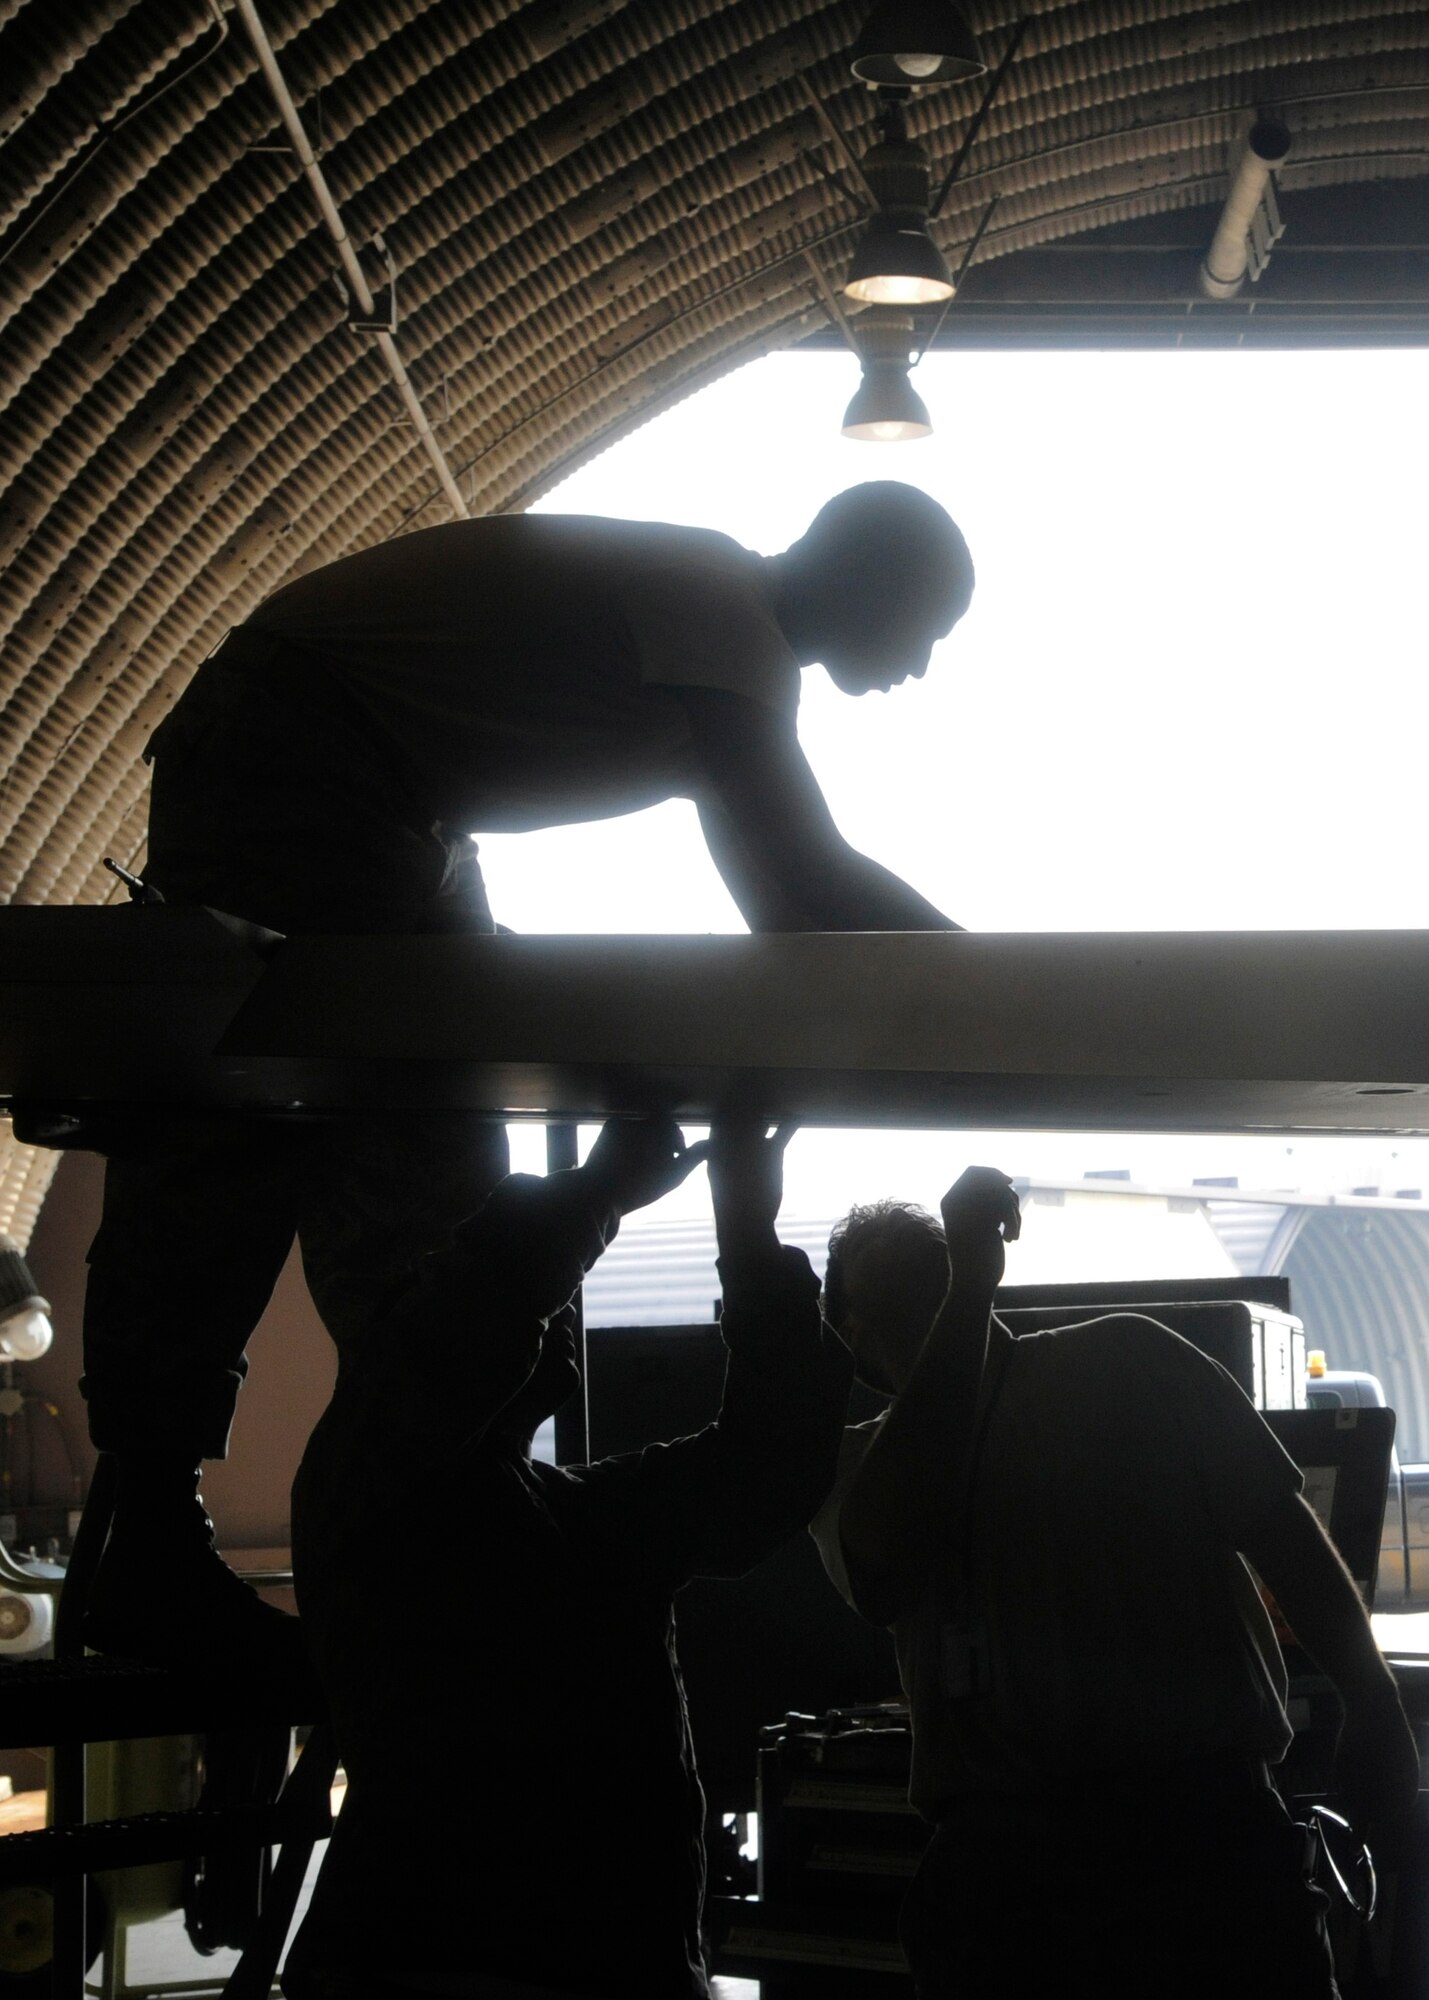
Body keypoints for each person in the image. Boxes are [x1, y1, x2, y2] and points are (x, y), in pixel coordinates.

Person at [79, 481, 971, 1663]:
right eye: (922, 630)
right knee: (244, 1127)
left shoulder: (719, 623)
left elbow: (785, 892)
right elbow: (796, 883)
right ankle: (155, 1537)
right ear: (869, 577)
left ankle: (422, 1488)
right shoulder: (730, 625)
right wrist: (999, 988)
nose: (916, 667)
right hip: (302, 748)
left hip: (391, 792)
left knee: (435, 1138)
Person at [279, 1113, 853, 2000]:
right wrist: (603, 1195)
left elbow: (765, 1466)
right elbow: (465, 1317)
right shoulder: (377, 1480)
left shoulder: (540, 1514)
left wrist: (743, 1232)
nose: (559, 1308)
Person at [810, 1167, 1421, 1999]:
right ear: (850, 1336)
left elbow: (1283, 1539)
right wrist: (966, 1296)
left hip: (1128, 1853)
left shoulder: (1133, 1360)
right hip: (1125, 1856)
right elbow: (884, 1568)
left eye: (934, 1278)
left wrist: (1372, 1698)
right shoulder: (862, 1470)